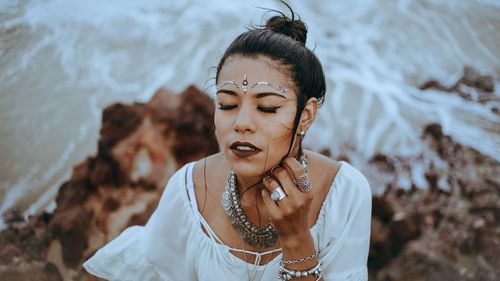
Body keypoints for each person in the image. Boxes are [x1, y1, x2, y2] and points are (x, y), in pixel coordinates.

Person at [84, 4, 371, 281]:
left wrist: (296, 238)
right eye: (227, 104)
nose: (241, 123)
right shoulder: (189, 192)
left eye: (268, 107)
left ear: (305, 115)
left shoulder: (344, 194)